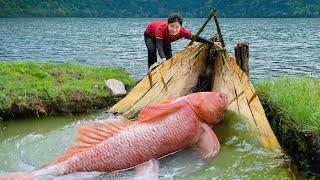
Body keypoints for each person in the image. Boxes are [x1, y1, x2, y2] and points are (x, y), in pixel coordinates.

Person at [144, 13, 223, 68]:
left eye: (177, 27)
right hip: (150, 35)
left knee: (169, 58)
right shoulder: (160, 29)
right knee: (152, 50)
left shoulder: (182, 32)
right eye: (171, 26)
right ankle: (152, 71)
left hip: (165, 39)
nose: (174, 30)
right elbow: (159, 45)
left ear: (181, 27)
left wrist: (213, 43)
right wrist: (162, 57)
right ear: (168, 24)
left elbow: (196, 38)